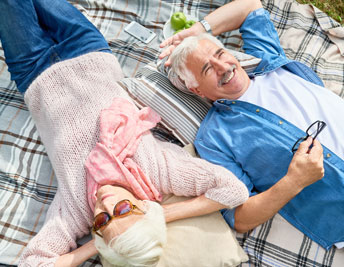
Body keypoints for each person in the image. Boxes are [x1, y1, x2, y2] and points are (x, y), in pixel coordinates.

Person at [0, 0, 256, 266]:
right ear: (145, 210)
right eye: (123, 211)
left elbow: (33, 263)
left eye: (103, 221)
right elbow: (233, 190)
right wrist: (161, 214)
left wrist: (91, 248)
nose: (106, 205)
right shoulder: (160, 172)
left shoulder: (75, 211)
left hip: (33, 69)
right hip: (86, 48)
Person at [159, 0, 344, 266]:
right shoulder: (215, 137)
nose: (223, 67)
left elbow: (249, 6)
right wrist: (294, 181)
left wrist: (195, 30)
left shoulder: (266, 61)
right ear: (197, 90)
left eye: (219, 53)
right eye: (207, 69)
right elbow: (240, 216)